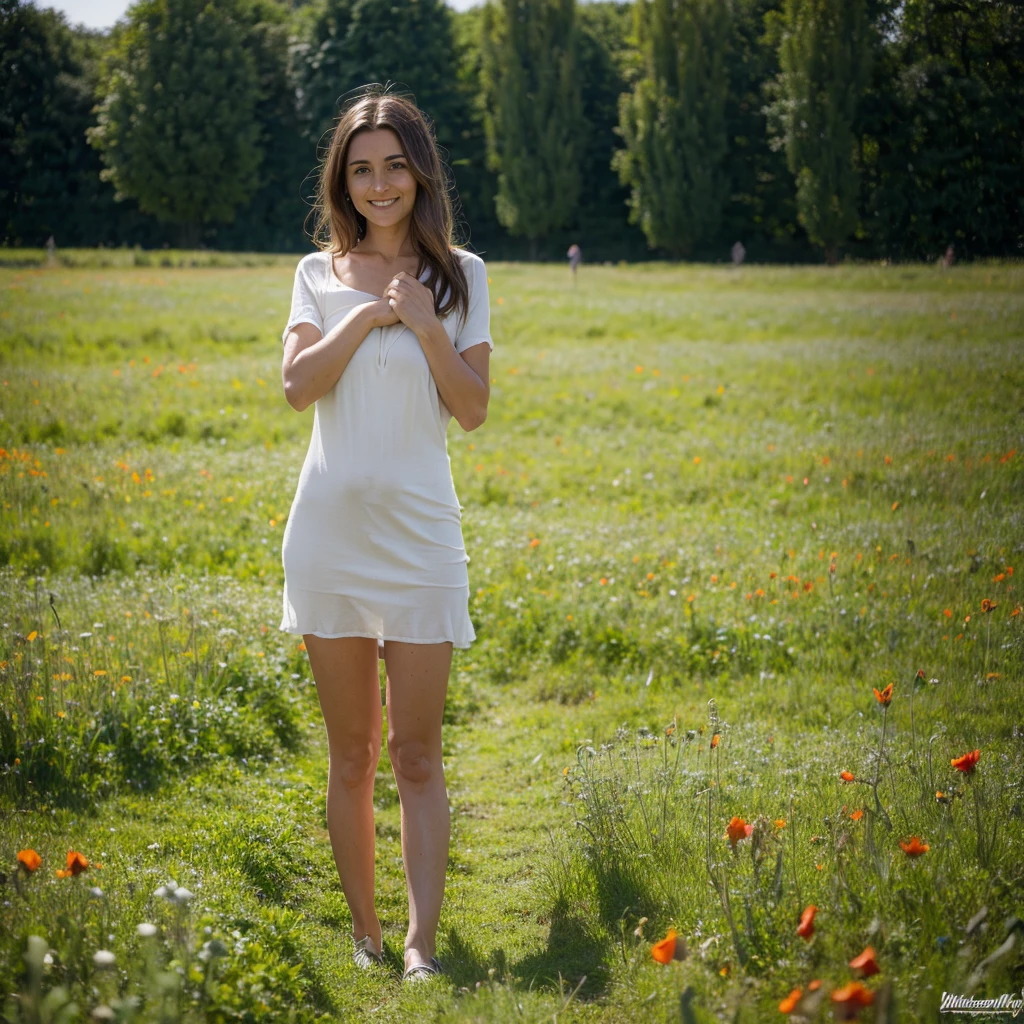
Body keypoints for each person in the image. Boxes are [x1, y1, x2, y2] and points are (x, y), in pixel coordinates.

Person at [278, 85, 493, 983]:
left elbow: (472, 407)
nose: (378, 185)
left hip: (421, 539)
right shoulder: (314, 275)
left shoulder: (463, 276)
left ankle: (419, 946)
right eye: (361, 169)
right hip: (327, 536)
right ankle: (366, 936)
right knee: (352, 752)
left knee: (414, 751)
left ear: (418, 171)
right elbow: (297, 386)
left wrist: (420, 321)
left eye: (393, 165)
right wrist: (366, 315)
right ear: (343, 181)